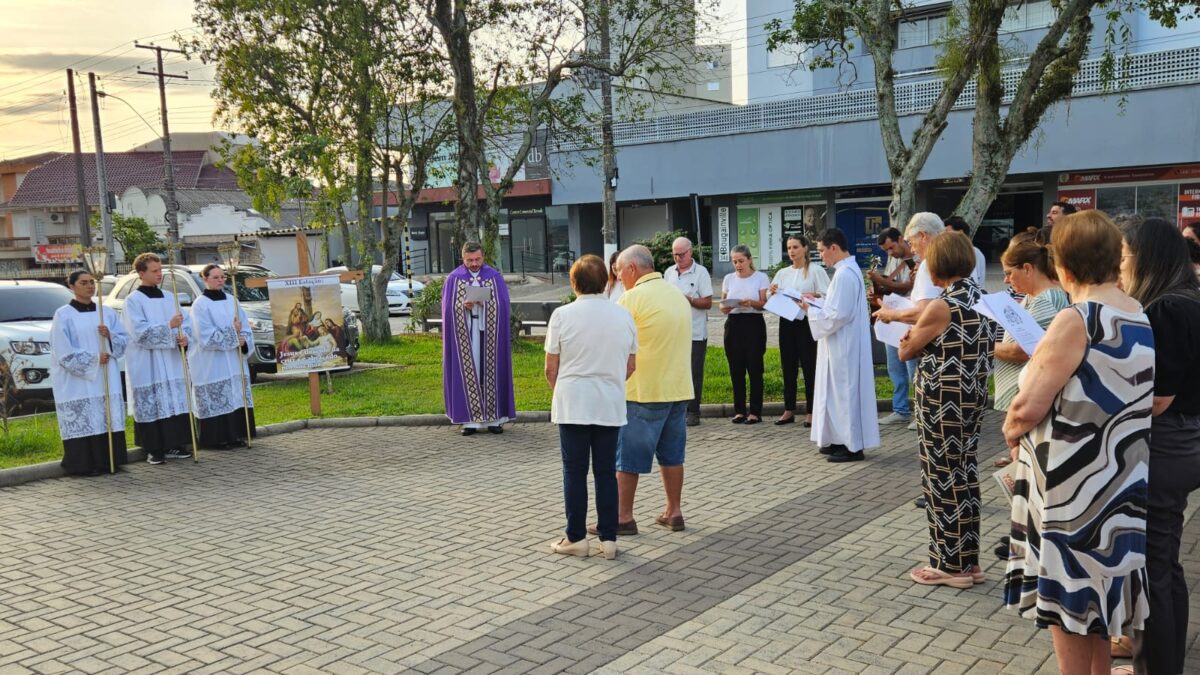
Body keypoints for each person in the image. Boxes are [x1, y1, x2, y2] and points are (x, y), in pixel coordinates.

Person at [1003, 210, 1152, 675]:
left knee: (1068, 602)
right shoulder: (1137, 312)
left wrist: (1011, 433)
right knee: (1096, 599)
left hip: (1070, 482)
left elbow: (1027, 406)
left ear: (1064, 267)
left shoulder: (1077, 318)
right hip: (1119, 479)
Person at [1119, 217, 1200, 675]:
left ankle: (1155, 667)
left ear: (1147, 258)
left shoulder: (1165, 310)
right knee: (1164, 561)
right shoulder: (1190, 300)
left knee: (1152, 568)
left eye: (1126, 257)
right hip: (1185, 442)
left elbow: (1157, 398)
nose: (1122, 267)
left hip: (1167, 444)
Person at [898, 231, 996, 588]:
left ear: (938, 266)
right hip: (972, 395)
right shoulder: (984, 298)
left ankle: (947, 563)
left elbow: (905, 351)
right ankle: (970, 561)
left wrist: (911, 340)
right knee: (966, 472)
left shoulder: (942, 305)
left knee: (941, 477)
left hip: (941, 400)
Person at [589, 244, 691, 535]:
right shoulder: (676, 294)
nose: (620, 279)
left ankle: (622, 517)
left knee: (627, 457)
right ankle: (674, 511)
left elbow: (610, 341)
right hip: (678, 388)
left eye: (620, 273)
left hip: (644, 390)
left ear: (632, 268)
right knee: (672, 455)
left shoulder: (632, 299)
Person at [544, 255, 638, 560]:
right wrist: (608, 379)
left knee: (574, 470)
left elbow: (550, 367)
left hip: (573, 401)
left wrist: (564, 389)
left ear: (574, 283)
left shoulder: (561, 315)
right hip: (609, 401)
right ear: (604, 281)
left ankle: (576, 538)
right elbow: (631, 364)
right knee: (605, 471)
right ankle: (608, 539)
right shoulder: (623, 315)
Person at [802, 228, 880, 463]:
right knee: (835, 394)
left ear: (834, 248)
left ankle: (852, 446)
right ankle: (837, 439)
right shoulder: (846, 271)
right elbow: (837, 306)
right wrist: (819, 301)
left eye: (822, 251)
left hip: (844, 345)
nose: (821, 256)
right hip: (839, 342)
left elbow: (839, 314)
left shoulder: (845, 275)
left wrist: (811, 311)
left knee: (844, 394)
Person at [50, 270, 129, 476]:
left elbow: (123, 341)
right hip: (79, 380)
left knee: (106, 416)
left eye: (92, 282)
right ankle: (84, 464)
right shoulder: (63, 314)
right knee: (86, 417)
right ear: (72, 286)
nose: (90, 286)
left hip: (105, 374)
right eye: (84, 283)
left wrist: (109, 335)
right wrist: (94, 358)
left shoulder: (106, 312)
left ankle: (110, 460)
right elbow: (62, 350)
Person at [874, 212, 946, 433]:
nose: (912, 248)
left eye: (912, 242)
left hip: (929, 344)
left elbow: (925, 312)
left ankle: (919, 414)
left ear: (923, 236)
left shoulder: (928, 264)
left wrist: (890, 315)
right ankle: (905, 410)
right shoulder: (950, 260)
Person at [122, 253, 193, 464]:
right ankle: (154, 449)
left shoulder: (170, 298)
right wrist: (168, 327)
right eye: (154, 271)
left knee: (173, 402)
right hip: (147, 362)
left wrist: (183, 338)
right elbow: (139, 333)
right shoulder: (133, 301)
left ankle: (176, 444)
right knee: (153, 403)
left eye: (160, 270)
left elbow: (185, 322)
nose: (159, 274)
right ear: (141, 273)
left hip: (171, 360)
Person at [442, 242, 516, 436]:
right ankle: (469, 421)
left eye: (477, 259)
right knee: (469, 371)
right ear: (463, 258)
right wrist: (462, 306)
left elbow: (503, 306)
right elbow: (447, 310)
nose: (474, 264)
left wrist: (486, 304)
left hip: (488, 331)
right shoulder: (454, 278)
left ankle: (495, 419)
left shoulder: (494, 277)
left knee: (490, 370)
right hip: (466, 332)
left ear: (483, 257)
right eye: (470, 260)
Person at [188, 264, 255, 450]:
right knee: (217, 397)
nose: (220, 280)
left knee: (235, 396)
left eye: (223, 277)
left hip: (233, 360)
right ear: (205, 279)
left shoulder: (232, 300)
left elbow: (245, 327)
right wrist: (234, 335)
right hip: (212, 362)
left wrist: (243, 341)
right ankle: (216, 439)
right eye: (216, 277)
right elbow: (204, 335)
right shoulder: (200, 305)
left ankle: (235, 435)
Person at [769, 234, 828, 426]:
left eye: (795, 247)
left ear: (805, 248)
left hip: (806, 322)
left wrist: (813, 295)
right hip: (787, 321)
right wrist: (773, 290)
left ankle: (812, 411)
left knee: (810, 366)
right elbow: (772, 294)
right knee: (788, 365)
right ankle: (789, 409)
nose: (792, 251)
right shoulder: (783, 273)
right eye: (789, 248)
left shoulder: (815, 270)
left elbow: (826, 294)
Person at [663, 237, 714, 427]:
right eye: (675, 254)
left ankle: (694, 411)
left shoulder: (701, 273)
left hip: (695, 332)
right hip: (672, 333)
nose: (678, 258)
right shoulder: (669, 273)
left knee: (693, 372)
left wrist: (689, 300)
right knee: (674, 371)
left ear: (690, 252)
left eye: (681, 254)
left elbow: (708, 302)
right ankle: (677, 410)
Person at [871, 227, 918, 426]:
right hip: (893, 316)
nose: (890, 253)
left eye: (891, 248)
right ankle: (900, 409)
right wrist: (877, 293)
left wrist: (882, 281)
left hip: (910, 317)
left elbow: (910, 286)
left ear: (901, 239)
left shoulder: (918, 260)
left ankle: (920, 412)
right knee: (895, 366)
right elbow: (892, 286)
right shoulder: (893, 260)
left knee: (913, 368)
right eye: (886, 251)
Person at [719, 245, 770, 424]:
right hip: (734, 325)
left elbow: (764, 303)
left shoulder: (761, 277)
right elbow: (722, 304)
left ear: (749, 259)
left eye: (741, 261)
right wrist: (728, 305)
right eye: (735, 262)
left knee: (755, 369)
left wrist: (752, 303)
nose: (738, 265)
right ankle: (739, 410)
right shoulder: (728, 278)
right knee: (736, 369)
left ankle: (755, 411)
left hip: (753, 324)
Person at [943, 216, 987, 286]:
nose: (944, 237)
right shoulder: (974, 251)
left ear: (960, 232)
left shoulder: (968, 253)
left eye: (947, 232)